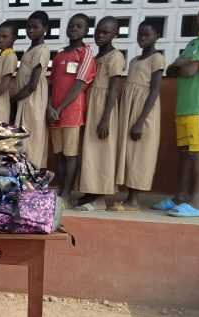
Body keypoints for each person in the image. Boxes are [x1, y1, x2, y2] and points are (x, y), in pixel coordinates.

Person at [155, 0, 199, 218]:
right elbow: (173, 68)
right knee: (185, 152)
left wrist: (182, 63)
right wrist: (181, 62)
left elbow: (188, 70)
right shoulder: (197, 41)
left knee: (198, 151)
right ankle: (180, 197)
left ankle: (196, 204)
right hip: (185, 105)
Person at [112, 20, 166, 213]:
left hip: (144, 113)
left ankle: (134, 201)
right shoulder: (134, 60)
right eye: (139, 34)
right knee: (127, 153)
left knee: (139, 155)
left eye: (147, 35)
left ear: (157, 36)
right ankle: (128, 197)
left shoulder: (157, 59)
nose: (142, 38)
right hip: (129, 111)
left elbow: (154, 91)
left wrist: (140, 121)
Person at [75, 17, 124, 211]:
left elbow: (114, 89)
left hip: (104, 108)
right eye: (98, 32)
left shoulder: (115, 56)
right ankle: (90, 193)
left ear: (115, 34)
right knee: (89, 151)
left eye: (106, 32)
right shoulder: (95, 57)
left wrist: (105, 118)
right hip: (91, 104)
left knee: (102, 151)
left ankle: (100, 198)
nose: (100, 35)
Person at [49, 14, 96, 206]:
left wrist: (59, 108)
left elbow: (79, 84)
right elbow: (52, 84)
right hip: (54, 113)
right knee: (59, 154)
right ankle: (60, 189)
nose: (73, 29)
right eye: (71, 25)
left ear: (86, 31)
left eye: (79, 26)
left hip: (72, 113)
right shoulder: (60, 55)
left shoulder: (85, 53)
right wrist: (49, 108)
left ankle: (67, 194)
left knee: (70, 154)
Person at [12, 12, 50, 168]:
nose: (30, 30)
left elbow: (32, 84)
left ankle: (30, 176)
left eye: (35, 27)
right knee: (23, 137)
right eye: (28, 27)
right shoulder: (31, 48)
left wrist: (12, 100)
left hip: (32, 99)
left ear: (45, 28)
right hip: (25, 98)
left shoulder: (42, 49)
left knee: (30, 136)